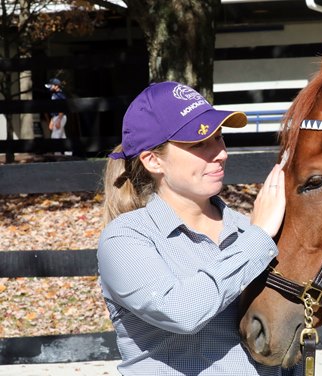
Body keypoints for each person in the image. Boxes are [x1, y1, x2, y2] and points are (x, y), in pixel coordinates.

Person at [98, 81, 298, 375]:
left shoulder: (248, 232)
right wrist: (258, 239)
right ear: (153, 160)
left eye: (219, 139)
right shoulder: (125, 239)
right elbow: (181, 312)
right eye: (200, 144)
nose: (220, 153)